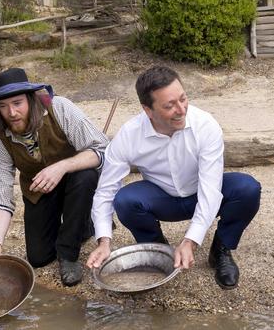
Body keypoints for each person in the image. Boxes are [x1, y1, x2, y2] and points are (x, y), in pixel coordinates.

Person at [86, 66, 261, 290]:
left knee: (247, 188)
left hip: (200, 191)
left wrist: (191, 242)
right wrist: (104, 240)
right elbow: (106, 190)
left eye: (183, 99)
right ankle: (159, 252)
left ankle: (221, 250)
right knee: (125, 200)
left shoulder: (205, 125)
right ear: (148, 110)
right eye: (169, 105)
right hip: (162, 198)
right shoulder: (129, 135)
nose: (181, 110)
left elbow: (210, 191)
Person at [0, 68, 108, 287]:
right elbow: (0, 197)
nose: (11, 113)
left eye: (17, 103)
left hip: (74, 182)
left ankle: (69, 255)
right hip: (39, 190)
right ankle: (82, 225)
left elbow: (102, 150)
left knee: (85, 176)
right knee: (39, 258)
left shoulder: (59, 108)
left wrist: (62, 166)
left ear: (30, 99)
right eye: (3, 106)